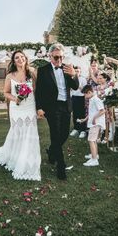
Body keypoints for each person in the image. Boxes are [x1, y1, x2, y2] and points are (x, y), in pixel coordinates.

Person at [0, 50, 41, 181]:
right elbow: (6, 92)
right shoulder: (9, 76)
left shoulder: (32, 72)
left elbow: (37, 90)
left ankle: (28, 161)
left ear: (25, 59)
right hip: (16, 108)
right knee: (17, 133)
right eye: (17, 58)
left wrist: (38, 108)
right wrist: (15, 99)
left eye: (22, 57)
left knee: (29, 134)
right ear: (13, 61)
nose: (20, 59)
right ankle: (16, 157)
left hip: (30, 106)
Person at [35, 44, 79, 180]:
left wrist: (73, 75)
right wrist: (39, 107)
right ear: (50, 56)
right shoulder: (42, 70)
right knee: (55, 134)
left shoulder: (67, 68)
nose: (59, 59)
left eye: (61, 56)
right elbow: (39, 91)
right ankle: (61, 166)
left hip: (66, 107)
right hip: (51, 107)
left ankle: (52, 151)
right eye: (56, 57)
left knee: (64, 133)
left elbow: (76, 87)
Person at [78, 85, 106, 167]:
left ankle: (94, 160)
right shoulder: (92, 99)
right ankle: (95, 155)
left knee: (91, 140)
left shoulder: (96, 100)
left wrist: (94, 118)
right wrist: (85, 119)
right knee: (93, 140)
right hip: (94, 123)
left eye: (85, 94)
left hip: (95, 123)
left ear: (89, 92)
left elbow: (102, 110)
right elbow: (91, 112)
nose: (85, 96)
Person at [70, 66, 87, 138]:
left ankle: (83, 130)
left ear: (80, 72)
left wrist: (79, 87)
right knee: (75, 113)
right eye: (75, 71)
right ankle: (76, 128)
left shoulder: (83, 79)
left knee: (82, 113)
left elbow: (85, 90)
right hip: (74, 97)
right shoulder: (72, 78)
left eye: (78, 71)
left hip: (81, 98)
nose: (77, 72)